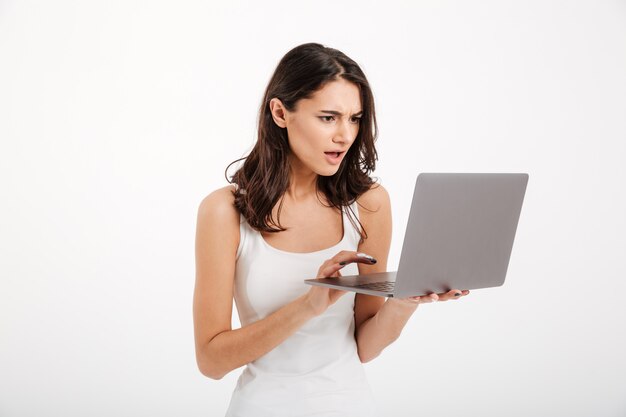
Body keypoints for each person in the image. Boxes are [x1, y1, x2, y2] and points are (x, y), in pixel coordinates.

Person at [193, 42, 469, 417]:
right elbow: (211, 361)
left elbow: (364, 347)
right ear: (280, 112)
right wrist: (310, 304)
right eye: (328, 117)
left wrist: (404, 301)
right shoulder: (223, 211)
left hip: (350, 404)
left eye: (355, 118)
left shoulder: (369, 204)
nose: (345, 135)